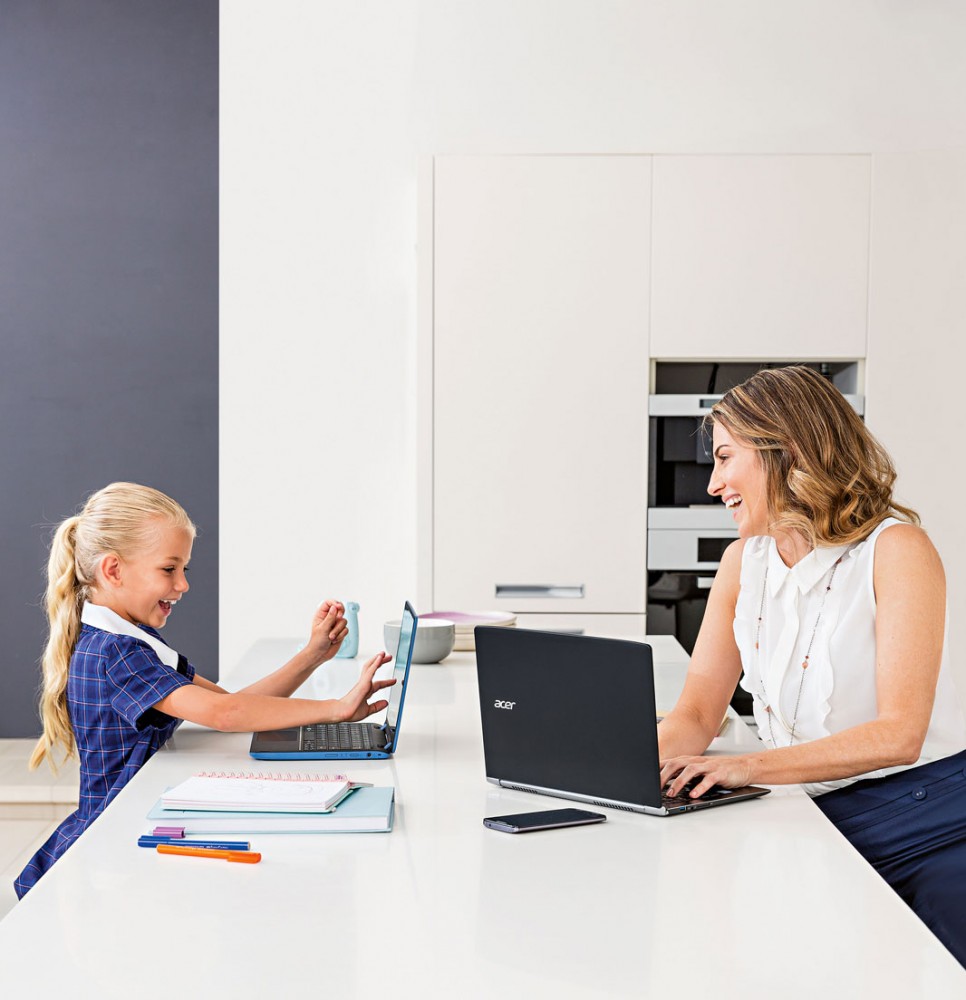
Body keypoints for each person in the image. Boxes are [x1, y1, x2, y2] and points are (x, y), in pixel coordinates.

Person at [658, 365, 966, 967]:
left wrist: (749, 768)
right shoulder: (741, 563)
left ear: (786, 449)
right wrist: (622, 762)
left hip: (929, 815)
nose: (714, 483)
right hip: (806, 808)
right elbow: (696, 712)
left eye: (725, 458)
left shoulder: (897, 550)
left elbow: (900, 735)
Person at [15, 482, 395, 898]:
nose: (183, 585)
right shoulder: (118, 652)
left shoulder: (129, 638)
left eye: (184, 570)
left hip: (133, 818)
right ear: (113, 570)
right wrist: (335, 709)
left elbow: (227, 703)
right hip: (117, 839)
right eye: (168, 569)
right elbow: (226, 715)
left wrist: (313, 655)